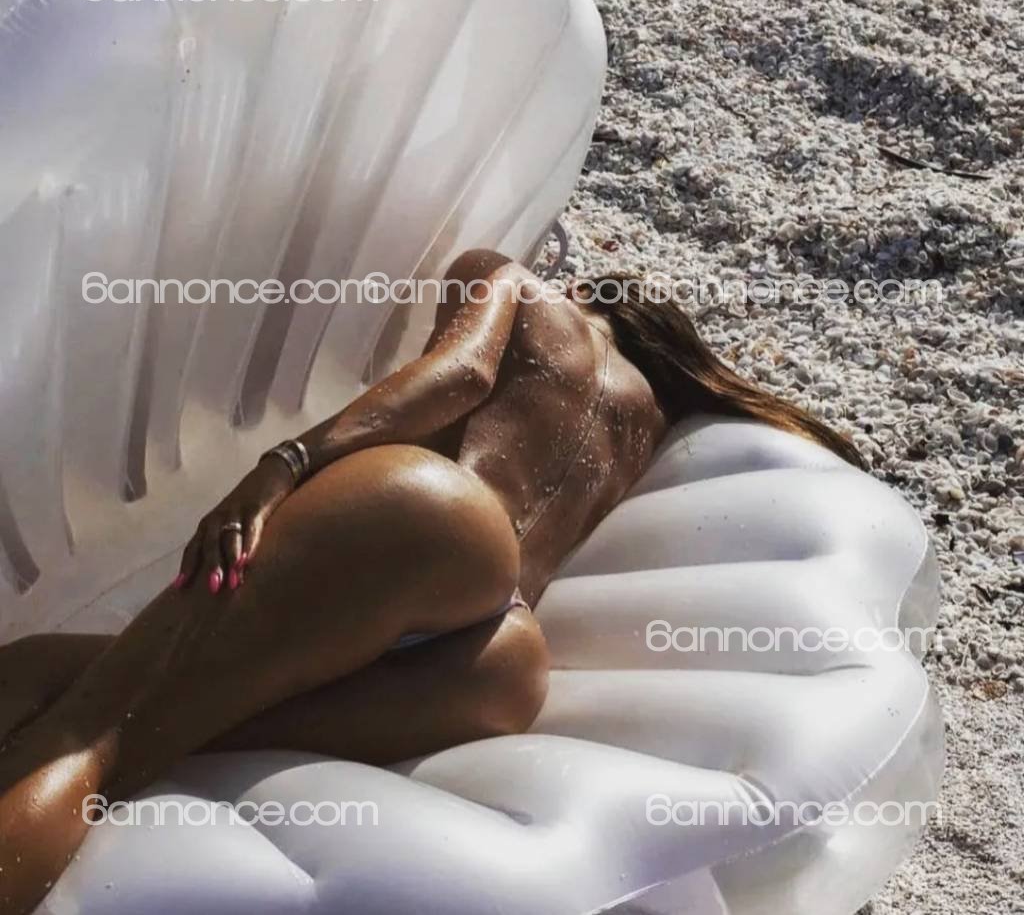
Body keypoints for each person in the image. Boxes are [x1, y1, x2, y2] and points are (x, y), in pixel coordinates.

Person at [0, 248, 862, 913]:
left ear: (590, 294)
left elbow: (460, 376)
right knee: (87, 694)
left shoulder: (519, 283)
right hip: (501, 660)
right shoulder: (650, 415)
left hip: (433, 519)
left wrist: (284, 463)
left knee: (96, 735)